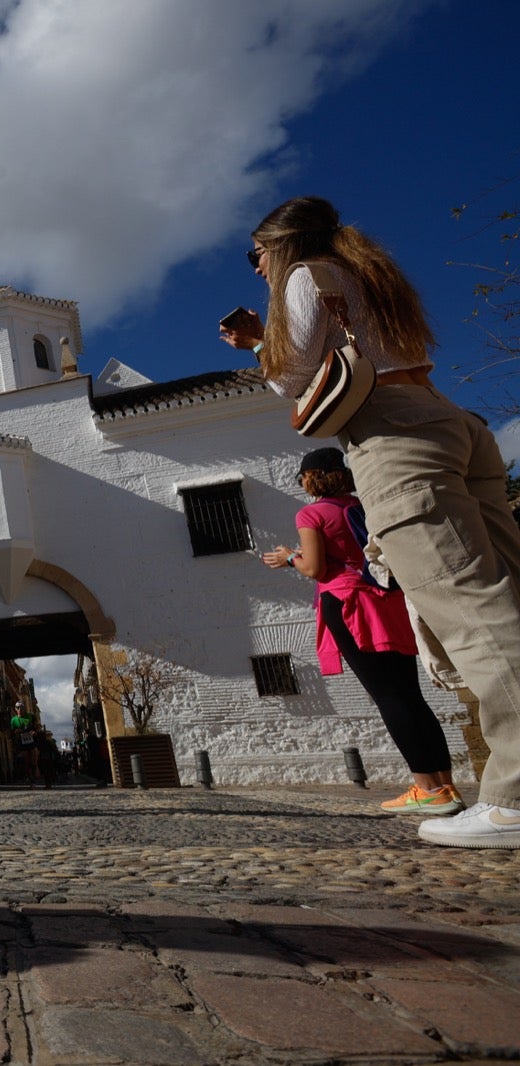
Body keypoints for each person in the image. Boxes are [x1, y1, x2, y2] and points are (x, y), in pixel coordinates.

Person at [223, 195, 520, 848]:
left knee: (468, 605)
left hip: (394, 436)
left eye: (257, 256)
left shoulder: (304, 276)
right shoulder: (368, 272)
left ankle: (516, 795)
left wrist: (257, 344)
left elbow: (296, 372)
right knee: (504, 592)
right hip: (447, 419)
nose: (257, 269)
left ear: (281, 246)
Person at [260, 447, 461, 815]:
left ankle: (425, 788)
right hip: (387, 601)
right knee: (411, 695)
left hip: (349, 604)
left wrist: (289, 556)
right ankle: (445, 785)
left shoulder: (312, 513)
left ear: (311, 478)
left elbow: (316, 569)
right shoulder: (362, 507)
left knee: (387, 696)